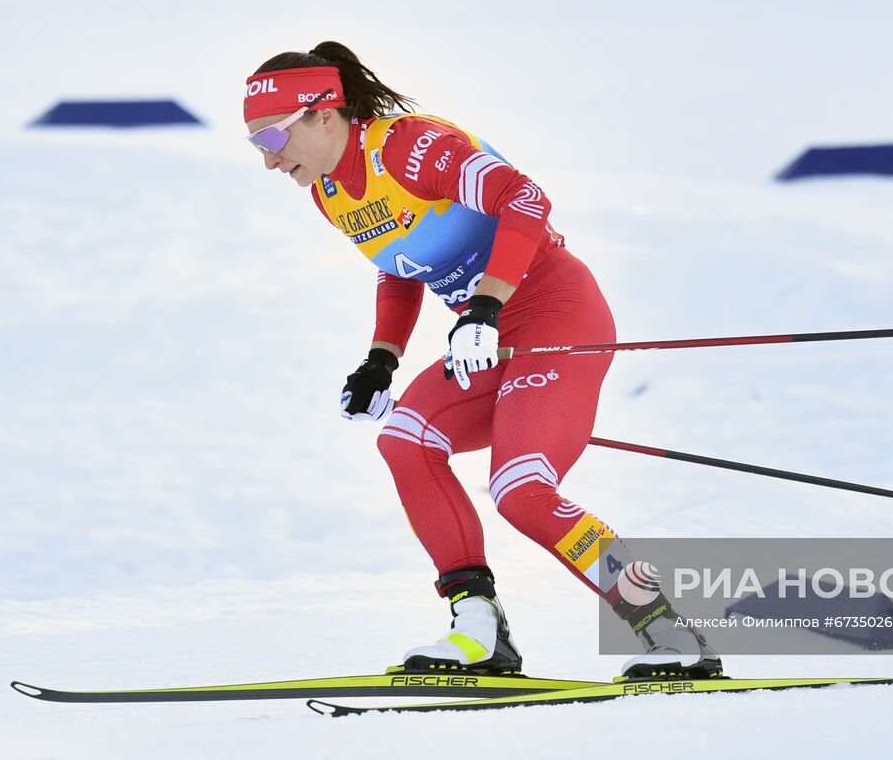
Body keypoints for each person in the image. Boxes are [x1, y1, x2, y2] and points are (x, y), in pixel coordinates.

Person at [243, 41, 720, 678]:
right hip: (487, 334)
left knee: (521, 489)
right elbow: (399, 267)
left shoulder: (411, 147)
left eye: (272, 136)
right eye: (255, 144)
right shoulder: (329, 189)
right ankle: (479, 628)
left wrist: (486, 306)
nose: (270, 159)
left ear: (323, 114)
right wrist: (381, 361)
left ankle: (666, 626)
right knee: (405, 442)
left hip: (554, 312)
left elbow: (525, 199)